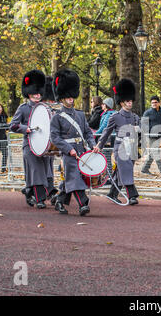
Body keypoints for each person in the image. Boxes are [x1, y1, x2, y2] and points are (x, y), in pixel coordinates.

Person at [50, 69, 98, 216]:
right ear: (62, 97)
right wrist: (68, 149)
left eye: (72, 96)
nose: (71, 98)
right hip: (69, 153)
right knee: (75, 177)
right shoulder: (57, 116)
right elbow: (55, 137)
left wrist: (92, 145)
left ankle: (59, 200)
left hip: (81, 151)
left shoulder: (80, 114)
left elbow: (87, 133)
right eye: (68, 96)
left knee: (71, 178)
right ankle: (83, 204)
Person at [10, 69, 51, 209]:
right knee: (36, 171)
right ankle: (40, 199)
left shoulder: (46, 108)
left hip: (44, 145)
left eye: (39, 93)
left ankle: (29, 191)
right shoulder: (23, 108)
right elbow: (13, 125)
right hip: (29, 144)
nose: (37, 95)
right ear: (29, 94)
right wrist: (25, 129)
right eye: (34, 93)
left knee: (44, 171)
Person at [96, 78, 140, 206]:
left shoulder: (135, 117)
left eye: (131, 101)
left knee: (121, 171)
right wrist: (99, 145)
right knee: (126, 170)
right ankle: (132, 195)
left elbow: (140, 132)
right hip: (120, 147)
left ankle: (112, 194)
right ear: (121, 102)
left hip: (131, 147)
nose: (130, 103)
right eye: (127, 101)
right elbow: (106, 133)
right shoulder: (115, 117)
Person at [41, 75, 59, 203]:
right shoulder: (40, 108)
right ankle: (48, 190)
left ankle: (49, 189)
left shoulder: (54, 109)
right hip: (41, 141)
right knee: (44, 166)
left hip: (51, 141)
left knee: (50, 165)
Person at [141, 95, 161, 176]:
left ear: (159, 103)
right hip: (151, 136)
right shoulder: (147, 112)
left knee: (153, 152)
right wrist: (149, 132)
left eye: (155, 102)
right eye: (152, 103)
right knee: (155, 152)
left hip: (160, 135)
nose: (154, 104)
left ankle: (145, 168)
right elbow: (143, 124)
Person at [95, 97, 116, 185]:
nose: (102, 105)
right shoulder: (107, 113)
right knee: (106, 158)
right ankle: (108, 177)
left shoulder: (108, 115)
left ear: (107, 105)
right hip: (107, 138)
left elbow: (104, 127)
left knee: (107, 159)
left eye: (103, 104)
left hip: (107, 138)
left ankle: (110, 178)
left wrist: (95, 133)